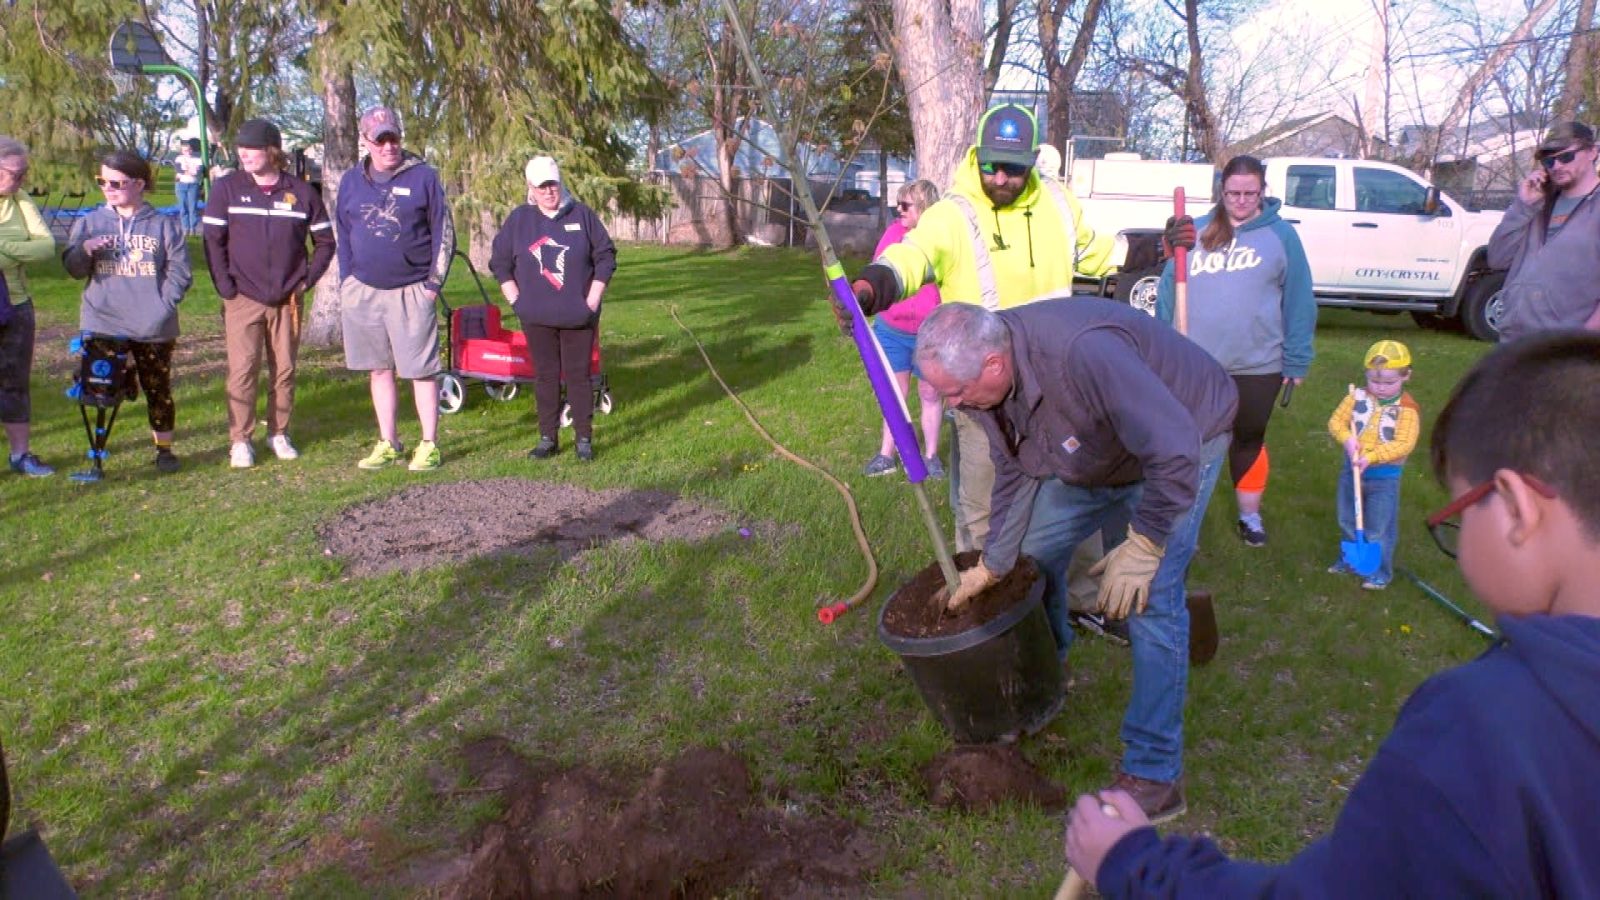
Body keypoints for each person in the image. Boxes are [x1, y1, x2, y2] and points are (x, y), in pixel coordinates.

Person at [1066, 330, 1600, 897]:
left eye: (1457, 520)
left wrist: (1133, 861)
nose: (1459, 541)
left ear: (1516, 510)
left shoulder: (1483, 730)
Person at [918, 299, 1237, 822]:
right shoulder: (991, 384)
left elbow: (1174, 445)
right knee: (1031, 562)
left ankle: (1157, 774)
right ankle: (1044, 683)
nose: (951, 405)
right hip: (1103, 451)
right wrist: (995, 563)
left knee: (1151, 600)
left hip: (1183, 440)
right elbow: (1016, 469)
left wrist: (1146, 541)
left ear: (994, 365)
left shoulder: (1081, 354)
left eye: (955, 392)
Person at [1156, 155, 1316, 547]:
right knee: (1186, 441)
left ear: (1263, 191)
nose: (1241, 200)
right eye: (1233, 193)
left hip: (1257, 363)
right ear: (1221, 191)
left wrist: (1297, 358)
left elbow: (1299, 299)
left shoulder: (1282, 236)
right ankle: (1180, 520)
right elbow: (1166, 293)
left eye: (1250, 193)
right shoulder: (1193, 231)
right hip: (1195, 363)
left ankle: (1250, 517)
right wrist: (1160, 347)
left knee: (1248, 439)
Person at [202, 118, 335, 468]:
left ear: (272, 151)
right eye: (240, 148)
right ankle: (240, 440)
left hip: (288, 298)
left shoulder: (302, 193)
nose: (243, 154)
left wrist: (306, 280)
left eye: (252, 148)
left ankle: (279, 433)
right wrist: (225, 286)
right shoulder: (227, 189)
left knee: (285, 370)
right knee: (242, 369)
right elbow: (213, 242)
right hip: (242, 297)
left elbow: (324, 242)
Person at [334, 105, 454, 472]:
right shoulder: (351, 181)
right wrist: (346, 281)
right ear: (366, 142)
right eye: (380, 139)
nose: (389, 146)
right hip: (363, 292)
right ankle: (388, 441)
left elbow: (444, 232)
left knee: (420, 370)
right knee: (378, 369)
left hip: (412, 291)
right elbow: (343, 232)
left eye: (394, 138)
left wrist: (432, 285)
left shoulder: (423, 178)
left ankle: (429, 444)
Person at [61, 150, 192, 474]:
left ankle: (164, 450)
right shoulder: (90, 223)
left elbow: (181, 273)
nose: (108, 187)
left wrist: (161, 307)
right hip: (102, 320)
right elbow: (74, 270)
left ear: (138, 184)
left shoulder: (164, 225)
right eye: (102, 181)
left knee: (157, 388)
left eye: (116, 182)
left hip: (153, 324)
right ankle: (97, 456)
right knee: (101, 388)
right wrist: (84, 250)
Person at [488, 155, 615, 462]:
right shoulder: (520, 220)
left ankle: (583, 438)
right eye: (541, 186)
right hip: (537, 318)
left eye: (552, 184)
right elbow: (500, 262)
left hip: (578, 316)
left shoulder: (582, 216)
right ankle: (548, 438)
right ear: (530, 187)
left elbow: (606, 256)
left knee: (578, 376)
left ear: (560, 183)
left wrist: (593, 298)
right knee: (545, 376)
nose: (548, 191)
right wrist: (516, 300)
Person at [860, 178, 945, 479]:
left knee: (930, 394)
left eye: (905, 204)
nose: (899, 209)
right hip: (893, 331)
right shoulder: (893, 233)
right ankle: (887, 455)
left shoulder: (941, 239)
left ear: (924, 207)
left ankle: (931, 456)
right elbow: (880, 270)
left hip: (931, 334)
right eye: (898, 202)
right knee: (894, 394)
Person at [1489, 121, 1600, 341]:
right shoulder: (1536, 204)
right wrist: (1523, 207)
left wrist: (1585, 339)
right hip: (1514, 341)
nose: (1557, 166)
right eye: (1549, 160)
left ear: (1592, 152)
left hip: (1568, 350)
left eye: (1566, 157)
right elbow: (1497, 259)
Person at [1326, 340, 1420, 591]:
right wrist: (1347, 440)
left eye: (1390, 383)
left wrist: (1373, 456)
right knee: (1347, 518)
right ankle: (1350, 559)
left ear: (1406, 376)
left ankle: (1380, 571)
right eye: (1374, 381)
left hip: (1384, 477)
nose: (1380, 388)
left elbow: (1404, 443)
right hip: (1352, 470)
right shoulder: (1355, 398)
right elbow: (1336, 422)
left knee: (1379, 527)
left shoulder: (1407, 411)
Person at [0, 136, 58, 477]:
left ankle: (20, 455)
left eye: (24, 173)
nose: (22, 181)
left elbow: (47, 248)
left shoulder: (20, 201)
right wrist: (19, 248)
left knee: (15, 382)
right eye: (15, 174)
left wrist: (4, 249)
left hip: (17, 305)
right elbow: (31, 248)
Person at [172, 139, 204, 233]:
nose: (188, 152)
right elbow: (179, 170)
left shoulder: (197, 159)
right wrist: (190, 171)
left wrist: (189, 171)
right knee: (183, 207)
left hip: (193, 184)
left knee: (192, 207)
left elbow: (198, 172)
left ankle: (192, 228)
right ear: (182, 151)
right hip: (181, 185)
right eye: (185, 150)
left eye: (189, 149)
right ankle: (185, 228)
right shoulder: (179, 158)